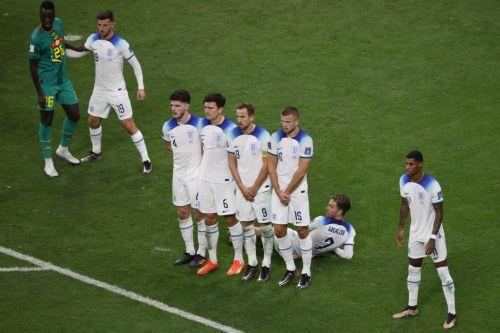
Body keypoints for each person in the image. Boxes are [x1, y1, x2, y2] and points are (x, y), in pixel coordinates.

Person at [65, 10, 151, 174]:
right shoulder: (93, 39)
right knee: (93, 120)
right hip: (99, 90)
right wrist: (62, 50)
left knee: (128, 125)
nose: (101, 28)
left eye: (105, 25)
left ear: (112, 24)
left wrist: (141, 87)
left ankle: (146, 160)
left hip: (117, 92)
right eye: (99, 25)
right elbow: (80, 51)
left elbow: (136, 65)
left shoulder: (121, 43)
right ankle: (96, 152)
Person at [393, 150, 457, 329]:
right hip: (415, 233)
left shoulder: (432, 184)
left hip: (432, 234)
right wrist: (400, 228)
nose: (407, 167)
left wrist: (432, 238)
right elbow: (404, 204)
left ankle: (452, 313)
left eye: (411, 164)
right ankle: (412, 308)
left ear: (420, 164)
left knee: (443, 272)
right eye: (406, 164)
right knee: (413, 268)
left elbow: (439, 212)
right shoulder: (403, 180)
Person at [29, 0, 81, 177]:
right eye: (44, 16)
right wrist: (40, 93)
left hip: (63, 80)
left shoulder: (58, 24)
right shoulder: (36, 38)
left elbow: (60, 43)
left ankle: (63, 149)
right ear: (40, 15)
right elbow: (33, 66)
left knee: (74, 114)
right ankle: (48, 161)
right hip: (47, 85)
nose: (48, 19)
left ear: (54, 14)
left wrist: (76, 48)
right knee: (47, 118)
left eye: (50, 15)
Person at [196, 93, 244, 276]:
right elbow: (202, 148)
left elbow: (237, 157)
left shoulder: (231, 129)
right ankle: (213, 259)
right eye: (205, 107)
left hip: (224, 181)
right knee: (209, 217)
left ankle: (238, 259)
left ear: (220, 109)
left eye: (211, 108)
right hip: (205, 179)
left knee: (230, 218)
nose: (207, 111)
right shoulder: (202, 125)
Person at [227, 103, 274, 282]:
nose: (239, 120)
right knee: (246, 225)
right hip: (242, 190)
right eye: (237, 117)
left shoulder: (263, 135)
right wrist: (241, 186)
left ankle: (266, 264)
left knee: (265, 227)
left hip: (260, 190)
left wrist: (254, 187)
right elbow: (231, 162)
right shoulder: (232, 135)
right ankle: (252, 263)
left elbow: (267, 164)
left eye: (243, 117)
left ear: (251, 117)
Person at [268, 106, 314, 289]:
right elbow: (271, 166)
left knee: (302, 230)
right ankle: (290, 268)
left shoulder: (305, 140)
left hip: (297, 192)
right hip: (279, 192)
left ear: (296, 121)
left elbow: (302, 170)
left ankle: (307, 272)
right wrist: (279, 191)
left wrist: (286, 190)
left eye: (288, 122)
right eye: (282, 121)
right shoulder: (275, 138)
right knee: (279, 229)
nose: (284, 125)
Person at [162, 90, 207, 268]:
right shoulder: (167, 126)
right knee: (182, 212)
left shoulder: (201, 124)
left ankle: (202, 252)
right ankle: (189, 251)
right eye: (172, 105)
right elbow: (167, 142)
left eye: (178, 106)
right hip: (178, 175)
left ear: (187, 106)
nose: (174, 109)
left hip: (196, 175)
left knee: (199, 214)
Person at [274, 194, 355, 260]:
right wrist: (335, 249)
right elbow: (348, 255)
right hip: (303, 256)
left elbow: (300, 230)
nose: (327, 208)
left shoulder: (321, 221)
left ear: (340, 211)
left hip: (289, 247)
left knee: (267, 230)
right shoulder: (350, 230)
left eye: (331, 207)